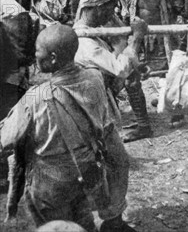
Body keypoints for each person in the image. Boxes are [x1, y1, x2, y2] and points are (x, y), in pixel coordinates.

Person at [0, 25, 134, 232]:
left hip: (50, 186)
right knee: (81, 223)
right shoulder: (95, 78)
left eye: (37, 51)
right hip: (85, 175)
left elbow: (5, 139)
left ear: (52, 58)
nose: (35, 56)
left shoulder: (35, 97)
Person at [74, 0, 152, 143]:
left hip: (99, 88)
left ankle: (141, 126)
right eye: (111, 6)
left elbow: (121, 45)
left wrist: (136, 64)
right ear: (98, 8)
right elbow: (120, 69)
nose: (114, 10)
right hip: (90, 97)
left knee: (131, 73)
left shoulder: (93, 28)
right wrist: (137, 39)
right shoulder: (84, 41)